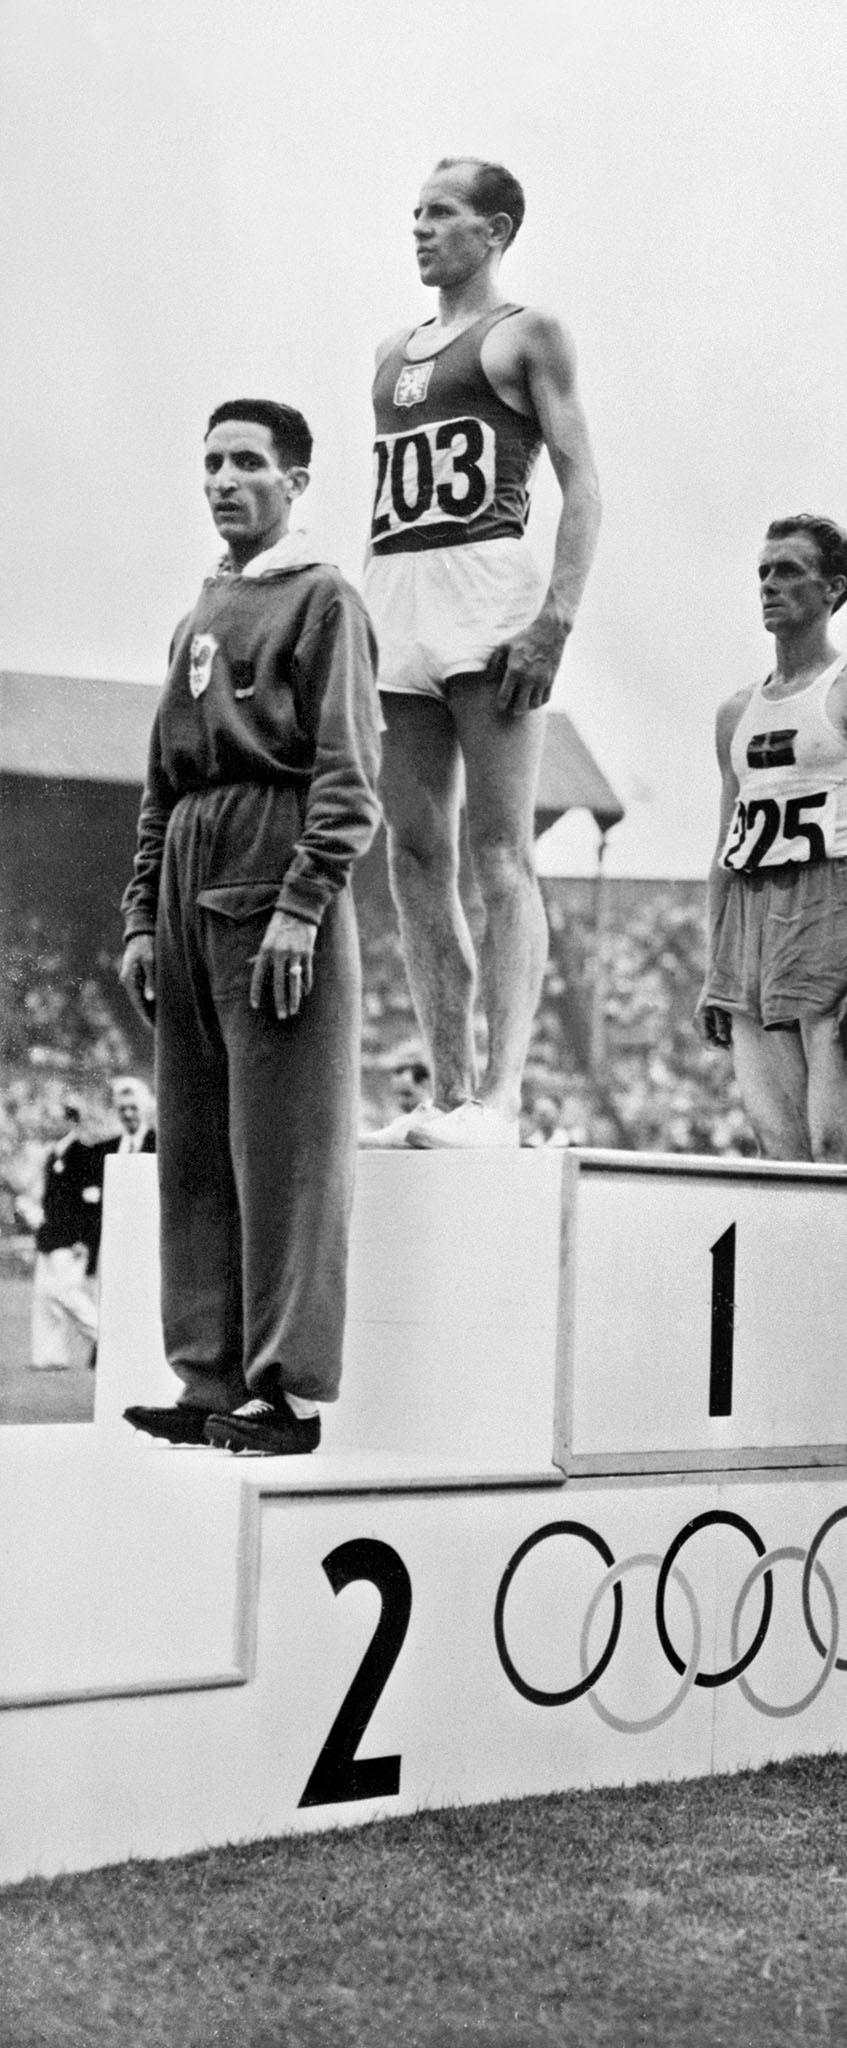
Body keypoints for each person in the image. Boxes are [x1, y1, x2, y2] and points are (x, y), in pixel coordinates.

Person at [118, 400, 382, 1455]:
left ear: (297, 482)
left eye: (248, 464)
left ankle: (286, 1389)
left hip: (272, 863)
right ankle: (208, 1373)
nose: (225, 481)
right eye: (213, 463)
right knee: (194, 1142)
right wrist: (142, 910)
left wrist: (304, 901)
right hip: (190, 860)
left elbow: (350, 771)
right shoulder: (202, 610)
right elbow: (159, 773)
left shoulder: (325, 601)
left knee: (284, 1145)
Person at [361, 156, 601, 1151]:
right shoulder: (391, 351)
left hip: (488, 588)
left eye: (443, 215)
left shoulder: (526, 333)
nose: (421, 229)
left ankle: (500, 1097)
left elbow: (583, 480)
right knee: (413, 853)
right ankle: (448, 1088)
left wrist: (556, 616)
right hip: (400, 592)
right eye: (414, 212)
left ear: (495, 229)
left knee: (499, 848)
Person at [697, 515, 847, 1163]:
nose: (769, 584)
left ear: (833, 588)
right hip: (749, 919)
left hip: (829, 902)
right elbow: (722, 852)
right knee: (779, 1149)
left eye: (789, 570)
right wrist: (716, 966)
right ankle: (790, 1271)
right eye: (763, 571)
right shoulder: (735, 712)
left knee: (834, 1146)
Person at [21, 1094, 103, 1370]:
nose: (50, 1123)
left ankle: (104, 1337)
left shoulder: (82, 1153)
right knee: (45, 1297)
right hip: (51, 1235)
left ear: (70, 1120)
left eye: (57, 1118)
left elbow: (91, 1201)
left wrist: (85, 1238)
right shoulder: (53, 1153)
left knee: (66, 1293)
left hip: (71, 1238)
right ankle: (49, 1356)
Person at [107, 1076, 157, 1156]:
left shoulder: (159, 1144)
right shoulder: (107, 1148)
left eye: (134, 1108)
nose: (128, 1114)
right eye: (122, 1109)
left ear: (144, 1108)